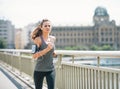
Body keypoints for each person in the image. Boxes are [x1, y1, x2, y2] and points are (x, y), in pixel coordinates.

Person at [31, 19, 57, 89]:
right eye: (45, 26)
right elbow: (34, 55)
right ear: (41, 27)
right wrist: (47, 49)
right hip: (39, 70)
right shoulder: (37, 39)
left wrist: (54, 53)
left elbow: (52, 50)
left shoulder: (53, 38)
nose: (48, 27)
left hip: (50, 69)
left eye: (49, 26)